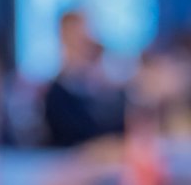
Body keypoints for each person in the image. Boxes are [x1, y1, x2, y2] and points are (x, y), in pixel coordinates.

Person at [42, 8, 127, 147]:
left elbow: (118, 129)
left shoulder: (104, 90)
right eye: (79, 37)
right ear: (65, 38)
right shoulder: (57, 94)